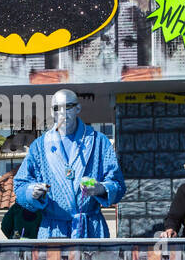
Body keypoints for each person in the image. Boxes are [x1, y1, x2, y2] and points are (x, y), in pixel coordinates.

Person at [13, 88, 124, 237]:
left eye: (68, 107)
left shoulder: (99, 141)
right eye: (57, 108)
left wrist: (101, 189)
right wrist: (31, 191)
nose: (63, 113)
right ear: (52, 112)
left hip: (90, 229)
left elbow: (118, 183)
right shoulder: (39, 146)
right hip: (53, 230)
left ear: (78, 108)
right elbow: (20, 184)